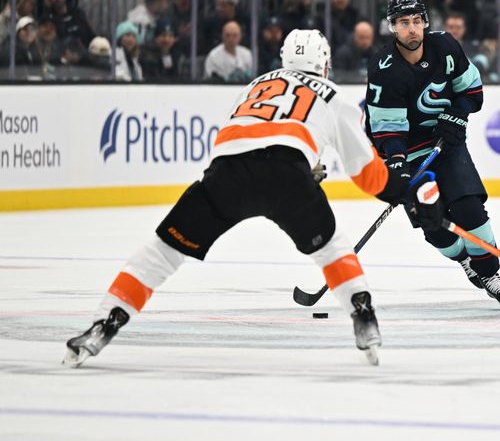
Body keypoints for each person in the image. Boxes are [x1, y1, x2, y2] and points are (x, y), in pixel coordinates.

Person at [63, 29, 442, 368]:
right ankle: (363, 314)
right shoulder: (334, 95)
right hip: (286, 175)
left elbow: (241, 140)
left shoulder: (255, 85)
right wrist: (407, 192)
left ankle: (105, 322)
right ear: (324, 64)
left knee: (163, 251)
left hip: (226, 174)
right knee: (330, 247)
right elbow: (367, 174)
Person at [366, 0, 500, 310]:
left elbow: (472, 92)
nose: (412, 29)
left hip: (446, 143)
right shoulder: (384, 69)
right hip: (409, 153)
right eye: (404, 23)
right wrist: (394, 162)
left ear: (425, 23)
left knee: (470, 210)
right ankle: (464, 259)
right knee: (433, 226)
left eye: (416, 21)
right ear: (393, 27)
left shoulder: (446, 47)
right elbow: (387, 128)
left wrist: (457, 114)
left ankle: (489, 274)